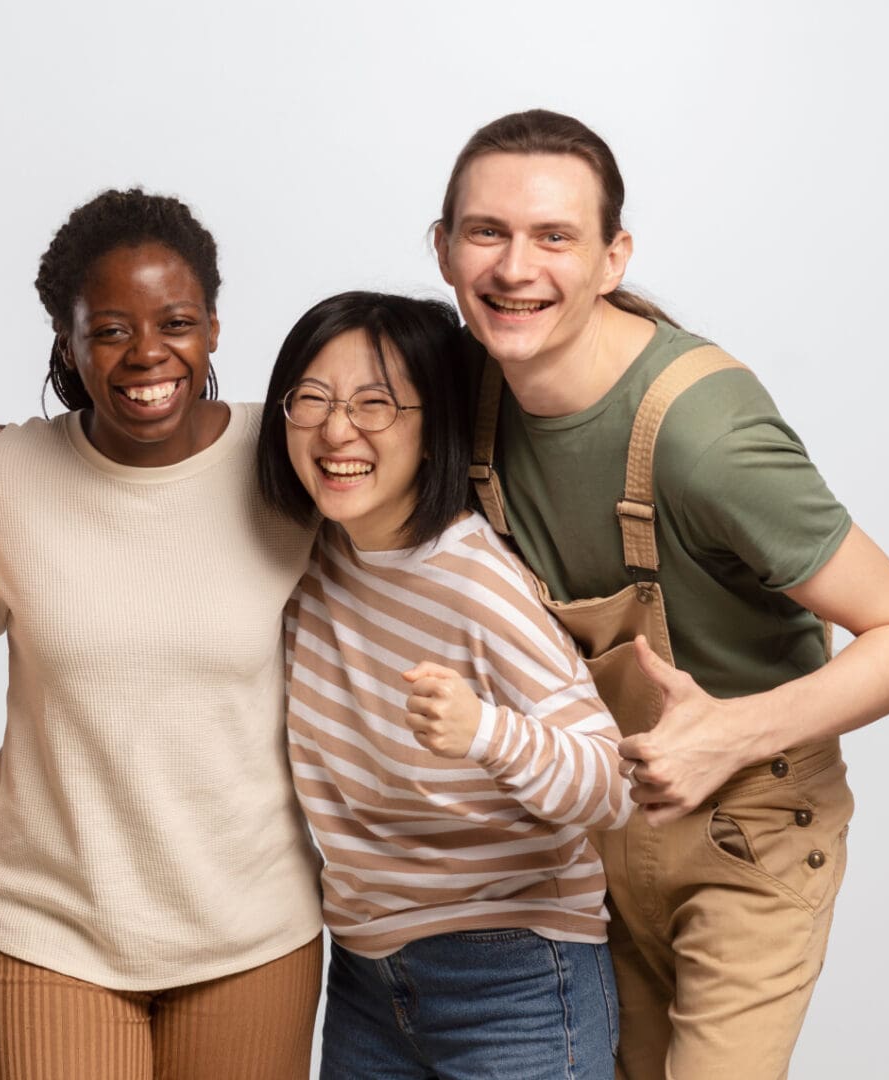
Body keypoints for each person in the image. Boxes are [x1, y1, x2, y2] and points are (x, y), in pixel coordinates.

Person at [432, 109, 889, 1079]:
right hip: (591, 825)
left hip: (745, 830)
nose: (514, 268)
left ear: (610, 257)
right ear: (441, 248)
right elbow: (326, 428)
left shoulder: (698, 435)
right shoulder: (466, 388)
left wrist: (731, 732)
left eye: (553, 235)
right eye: (485, 232)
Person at [0, 188, 325, 1080]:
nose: (147, 355)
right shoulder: (3, 471)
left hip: (252, 930)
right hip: (52, 932)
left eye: (175, 321)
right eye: (109, 330)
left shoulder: (287, 460)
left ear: (211, 325)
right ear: (67, 342)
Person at [255, 290, 630, 1079]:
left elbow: (611, 785)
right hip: (364, 975)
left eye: (376, 405)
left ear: (434, 431)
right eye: (312, 399)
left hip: (518, 973)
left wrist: (485, 733)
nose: (336, 430)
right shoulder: (310, 557)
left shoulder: (474, 581)